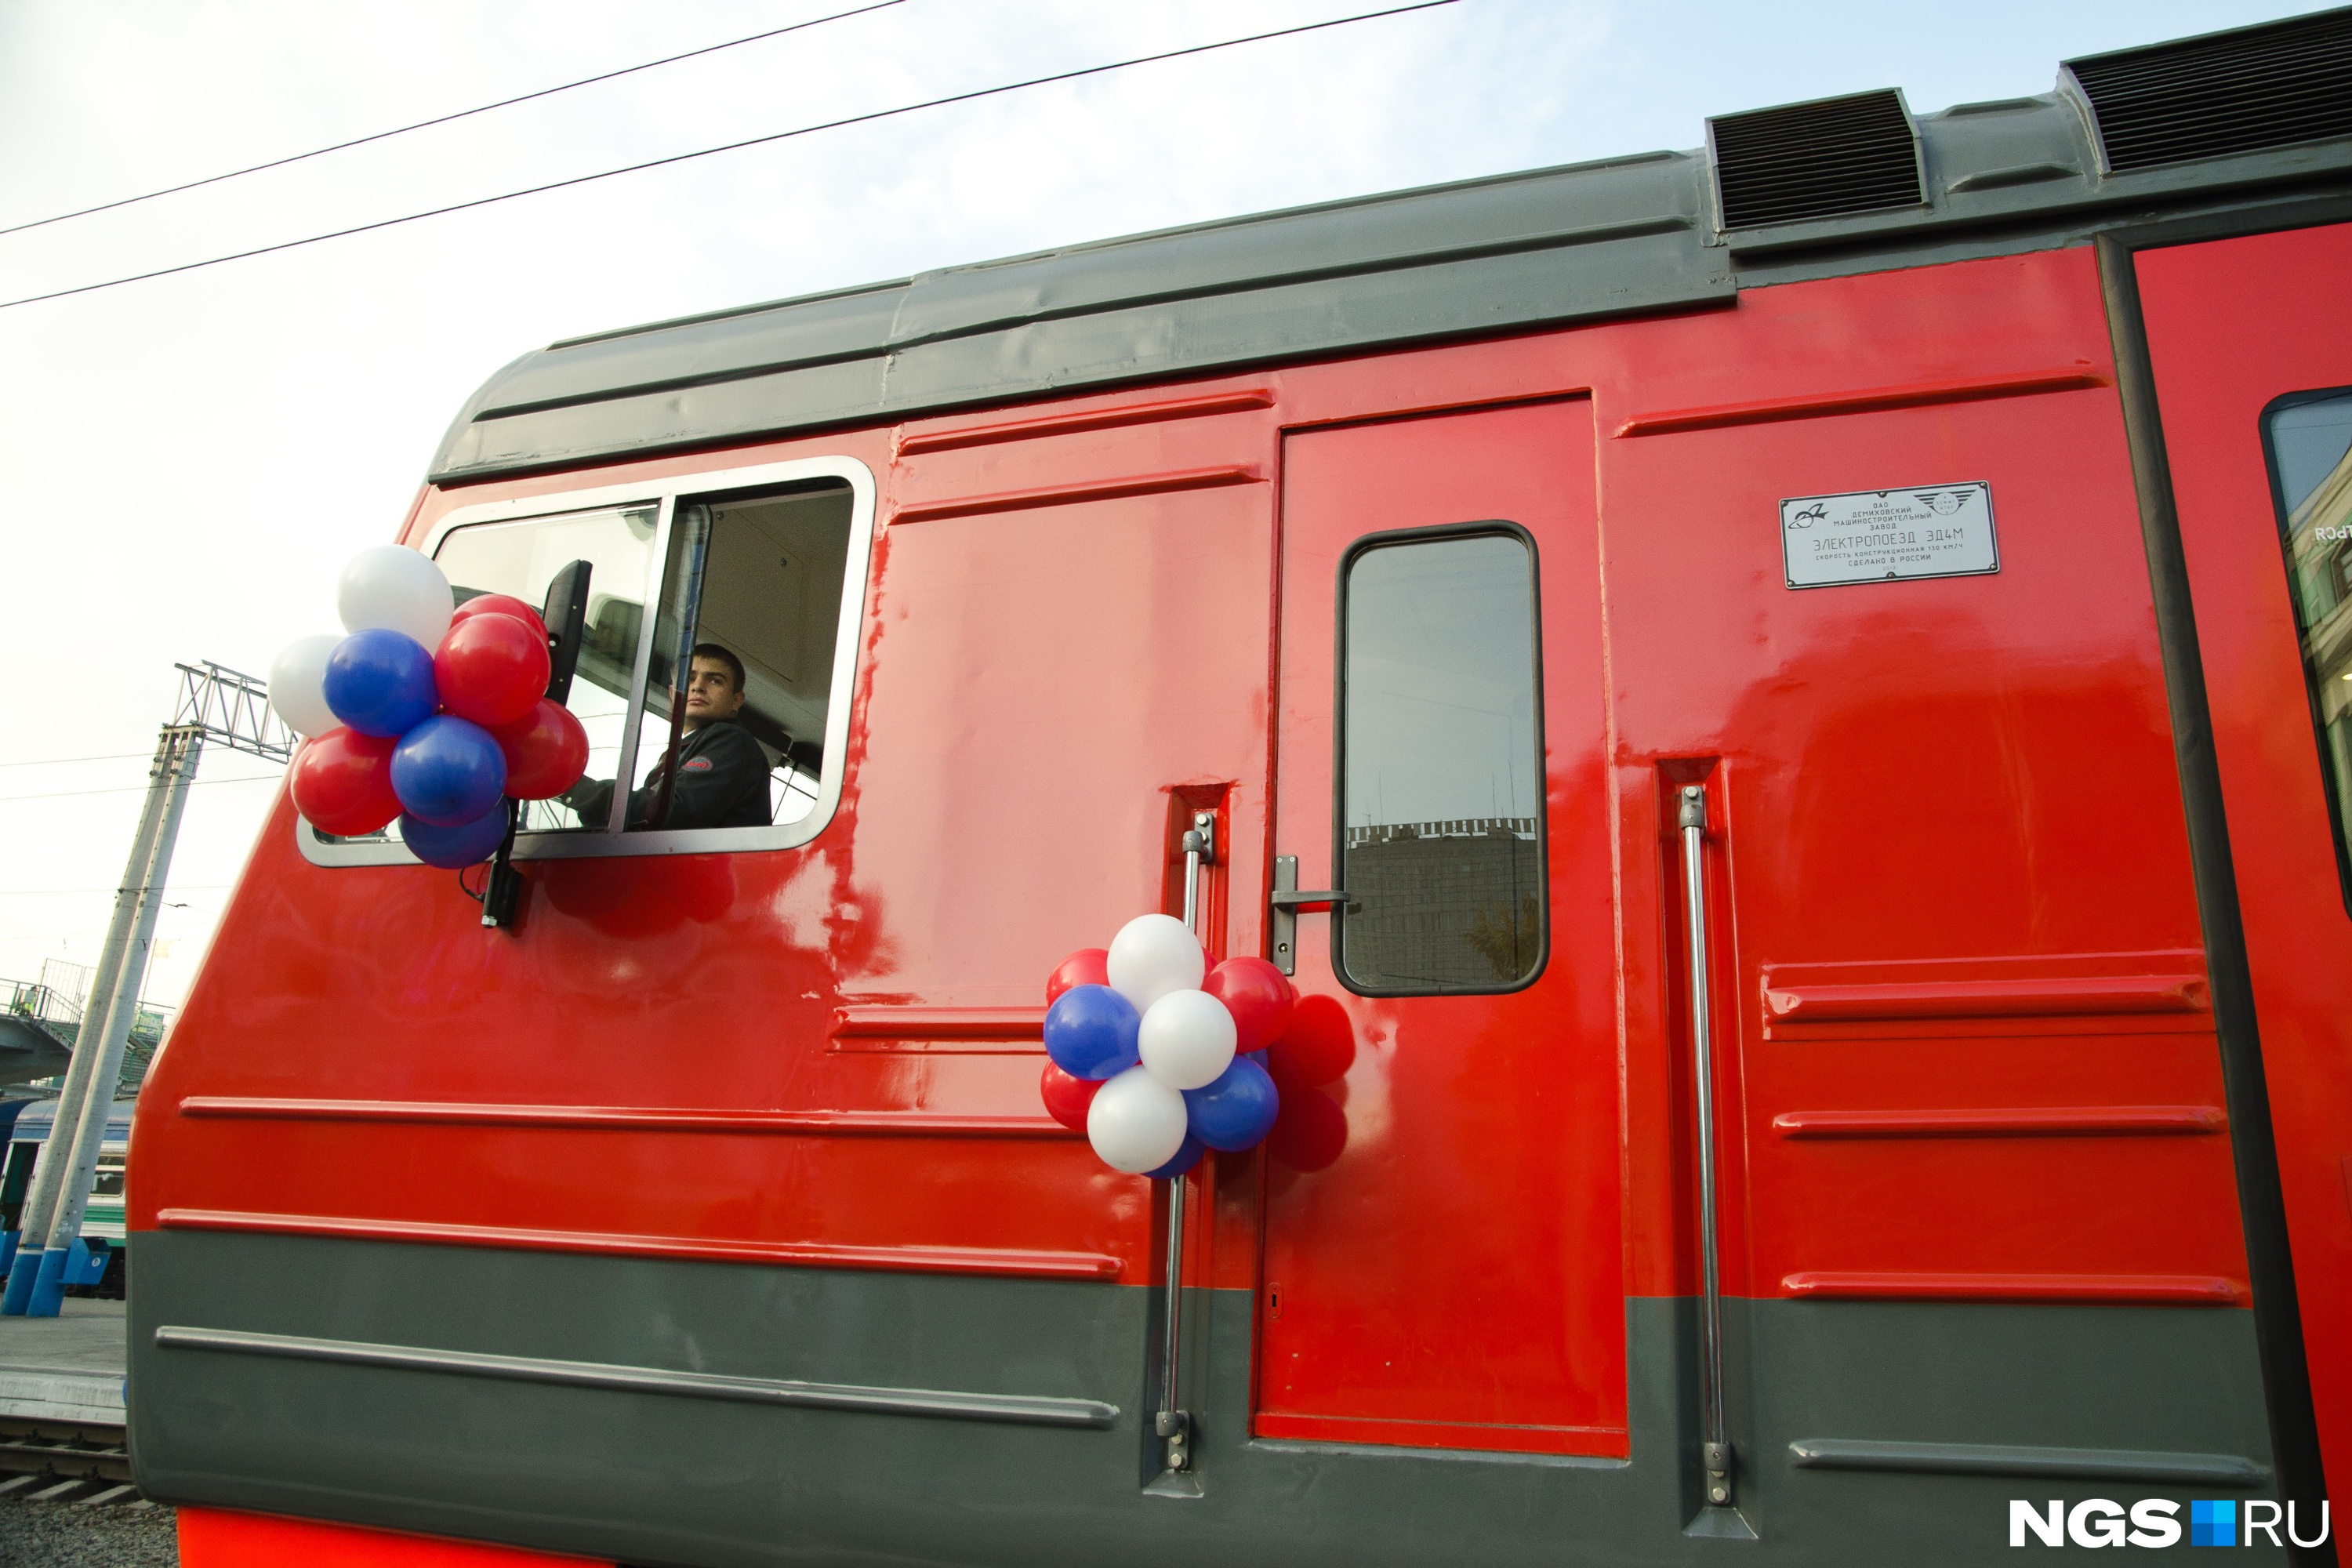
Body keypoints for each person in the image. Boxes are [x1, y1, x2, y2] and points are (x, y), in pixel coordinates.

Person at [564, 644, 772, 830]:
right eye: (689, 679)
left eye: (715, 681)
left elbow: (671, 813)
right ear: (673, 695)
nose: (698, 686)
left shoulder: (731, 740)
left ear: (736, 700)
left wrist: (576, 789)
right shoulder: (683, 750)